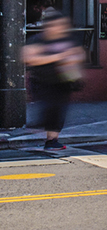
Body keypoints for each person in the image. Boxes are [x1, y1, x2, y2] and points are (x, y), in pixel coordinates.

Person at [24, 10, 84, 150]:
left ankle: (52, 141)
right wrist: (59, 56)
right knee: (48, 107)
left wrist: (74, 67)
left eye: (61, 25)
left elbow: (79, 54)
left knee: (59, 111)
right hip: (42, 81)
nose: (58, 28)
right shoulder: (38, 40)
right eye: (54, 25)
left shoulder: (68, 39)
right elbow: (30, 58)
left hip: (63, 82)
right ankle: (41, 125)